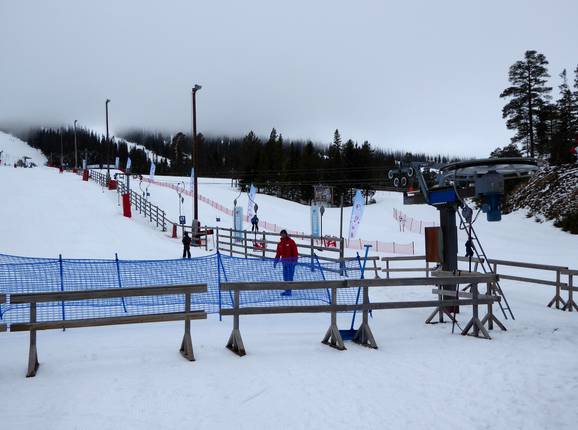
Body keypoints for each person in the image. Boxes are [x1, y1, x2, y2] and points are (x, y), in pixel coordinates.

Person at [273, 229, 298, 296]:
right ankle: (286, 290)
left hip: (291, 263)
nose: (283, 235)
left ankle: (289, 291)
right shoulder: (280, 244)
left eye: (284, 234)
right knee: (285, 277)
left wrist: (295, 261)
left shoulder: (291, 242)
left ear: (286, 234)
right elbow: (278, 254)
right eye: (282, 234)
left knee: (290, 277)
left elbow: (295, 252)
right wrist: (275, 261)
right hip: (284, 263)